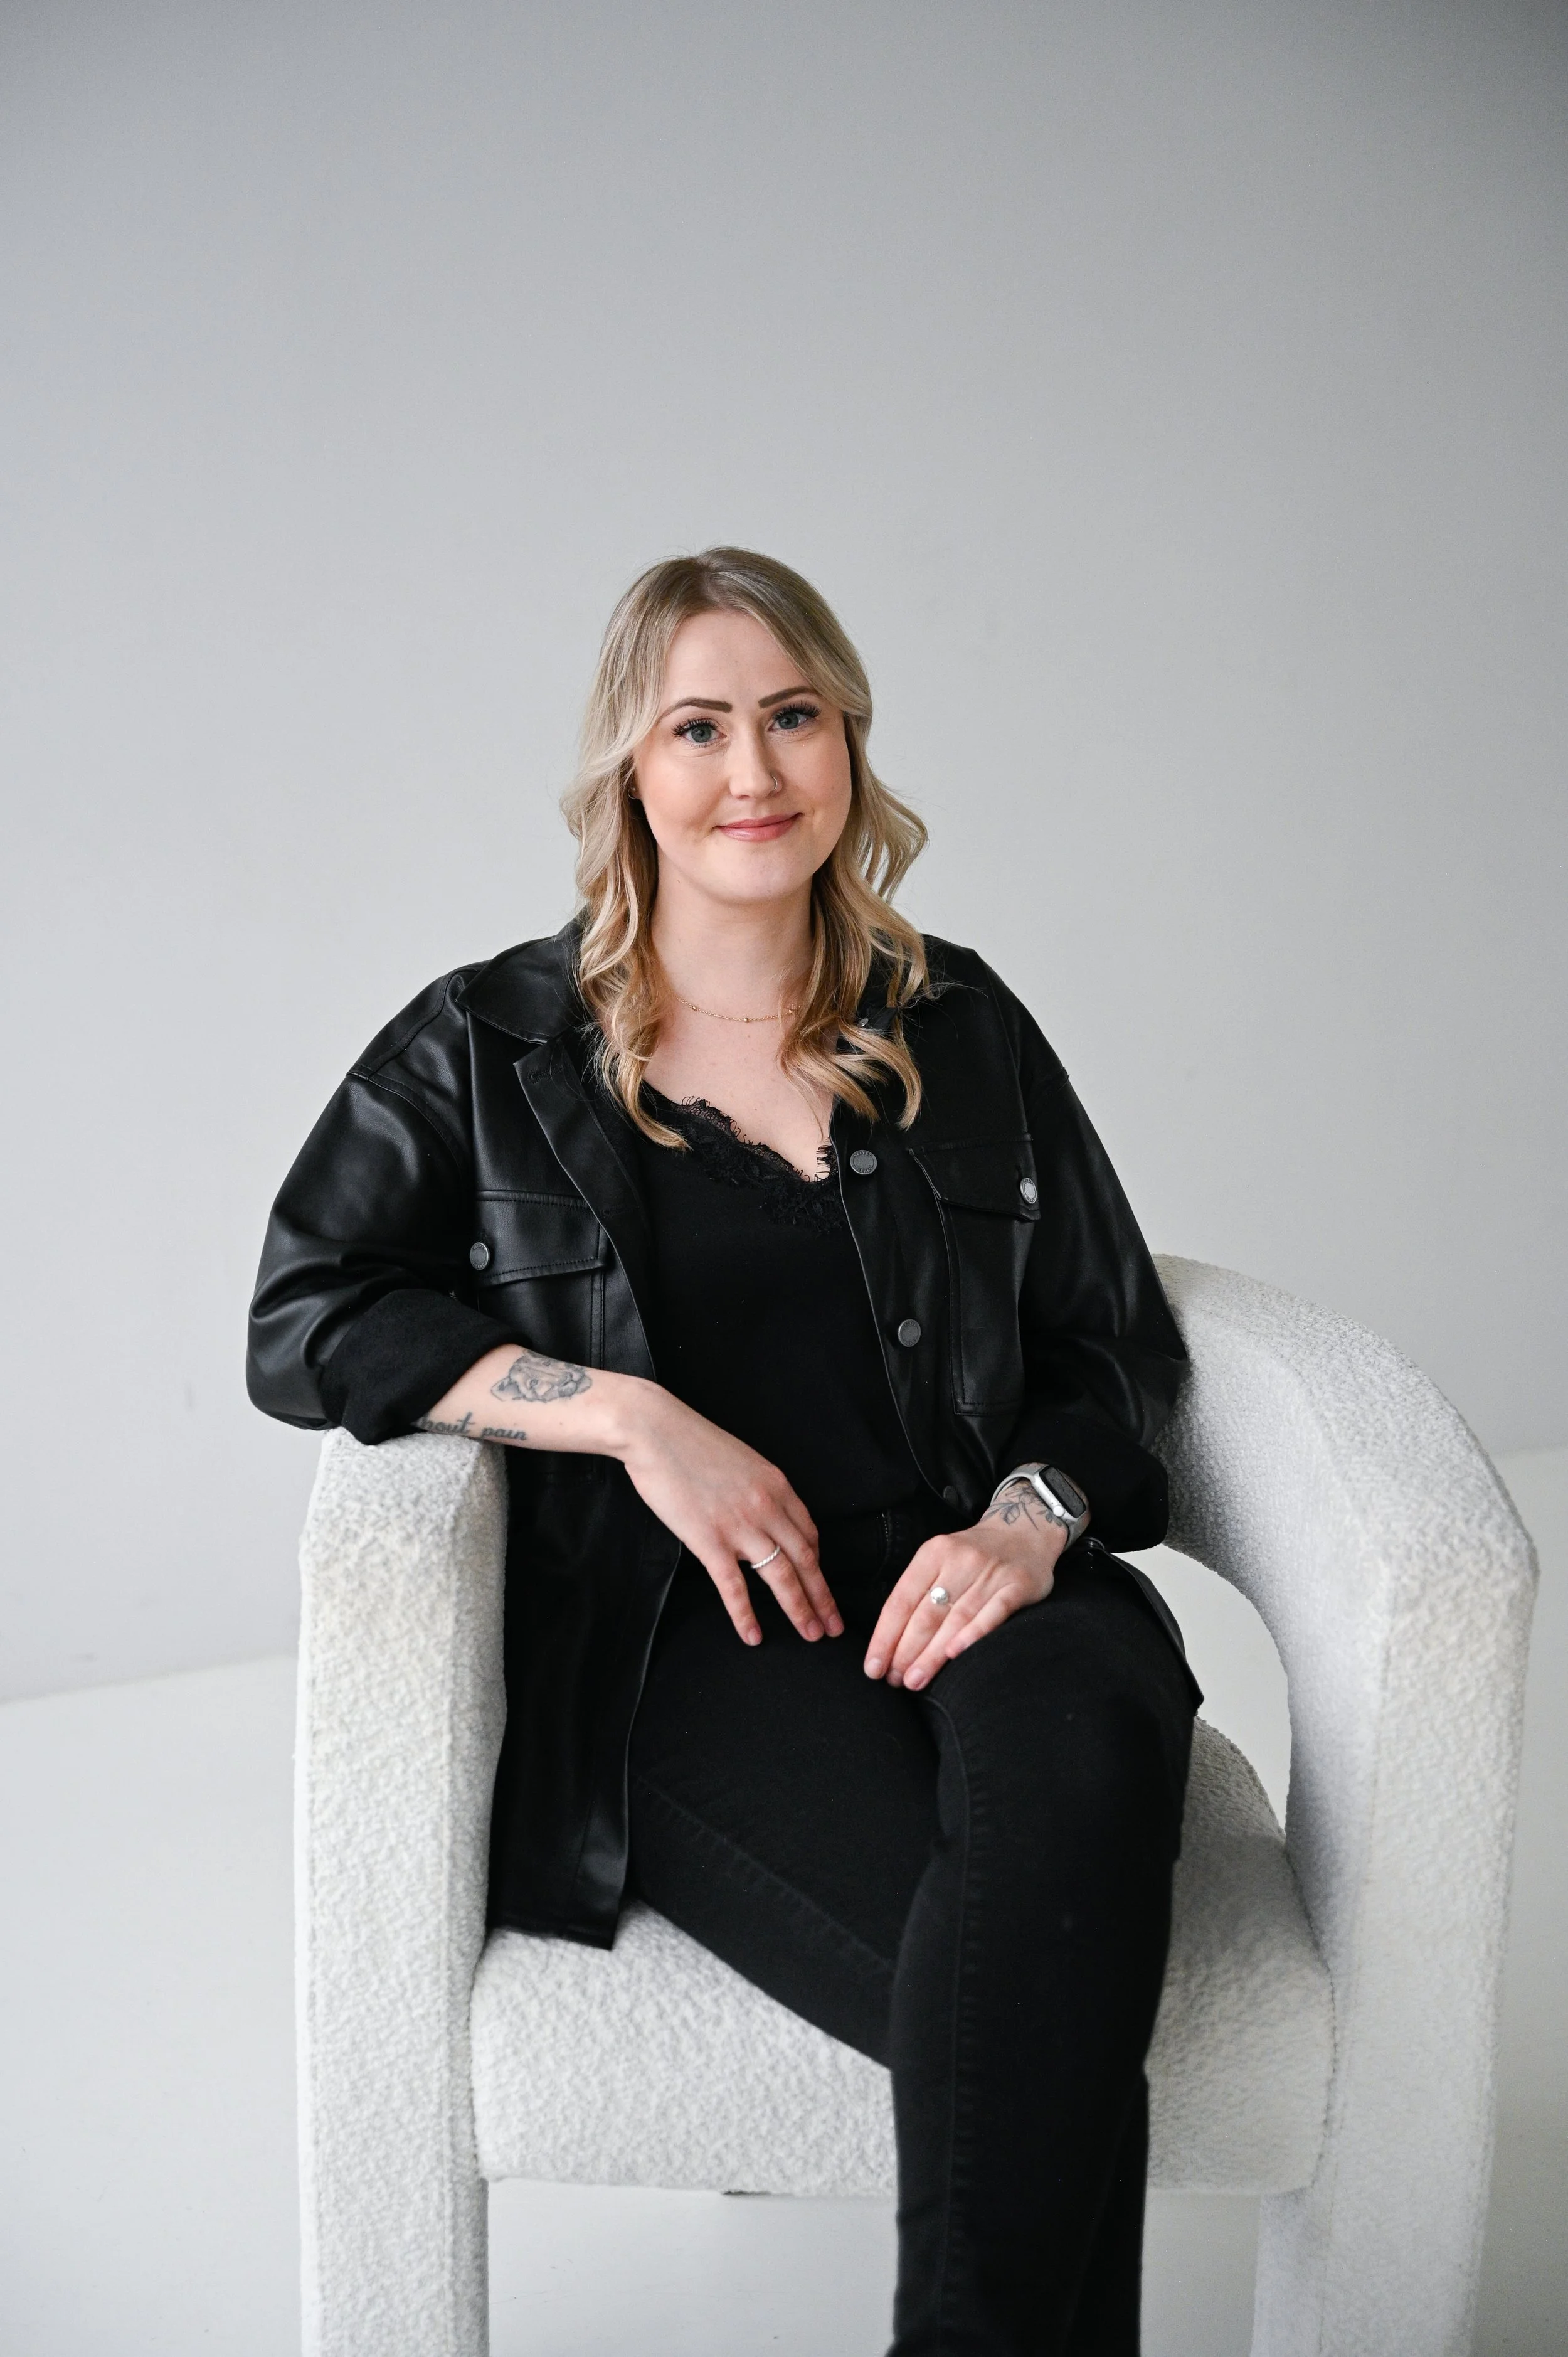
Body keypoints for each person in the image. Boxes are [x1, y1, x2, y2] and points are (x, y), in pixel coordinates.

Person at [248, 546, 1200, 2356]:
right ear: (630, 769)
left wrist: (1026, 1521)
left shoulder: (963, 1025)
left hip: (984, 1579)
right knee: (1040, 1989)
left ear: (846, 744)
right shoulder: (490, 1044)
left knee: (1070, 1799)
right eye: (698, 725)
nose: (751, 769)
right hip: (697, 1639)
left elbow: (1114, 1349)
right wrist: (624, 1413)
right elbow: (306, 1314)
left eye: (792, 715)